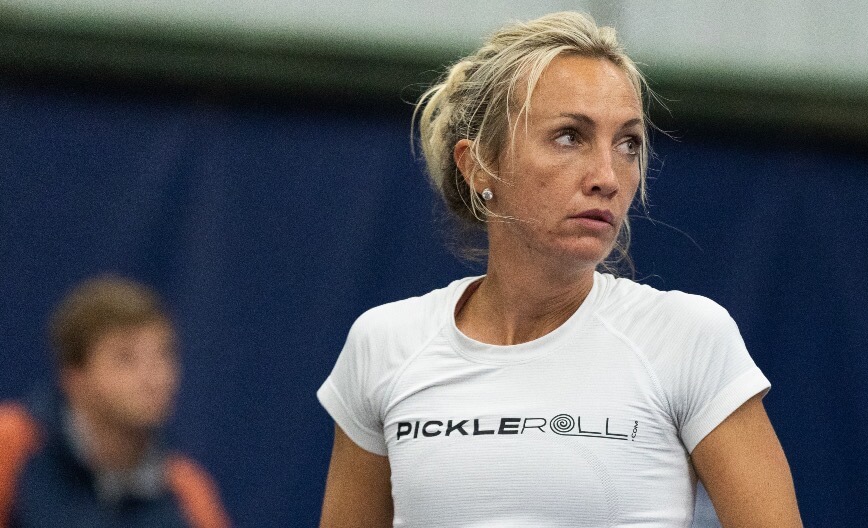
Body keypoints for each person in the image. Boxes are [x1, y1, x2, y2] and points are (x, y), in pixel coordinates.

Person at [317, 11, 801, 527]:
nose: (607, 176)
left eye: (628, 143)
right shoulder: (384, 345)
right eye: (569, 136)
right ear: (477, 165)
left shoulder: (688, 338)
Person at [0, 275, 229, 527]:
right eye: (125, 359)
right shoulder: (11, 446)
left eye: (164, 354)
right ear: (74, 378)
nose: (154, 378)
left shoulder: (188, 491)